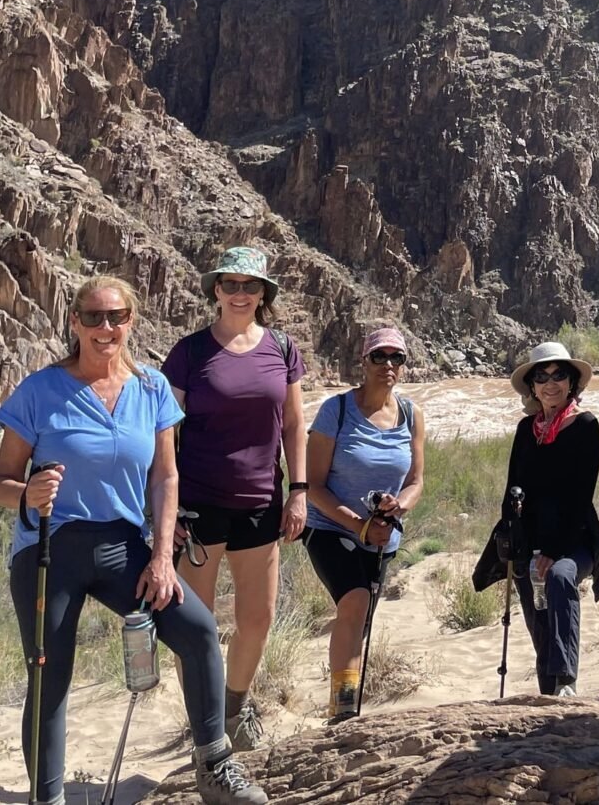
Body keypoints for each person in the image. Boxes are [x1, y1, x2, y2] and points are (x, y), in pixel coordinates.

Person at [0, 276, 267, 805]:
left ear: (132, 321)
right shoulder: (40, 390)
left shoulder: (151, 388)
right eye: (92, 317)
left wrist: (163, 558)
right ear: (74, 323)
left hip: (124, 545)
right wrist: (28, 492)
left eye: (116, 316)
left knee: (197, 629)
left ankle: (214, 764)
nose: (105, 327)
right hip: (52, 547)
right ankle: (47, 798)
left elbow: (165, 477)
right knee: (50, 675)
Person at [163, 247, 308, 750]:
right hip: (198, 505)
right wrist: (163, 508)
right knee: (194, 627)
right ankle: (205, 726)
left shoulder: (282, 349)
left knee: (257, 619)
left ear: (264, 293)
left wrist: (299, 493)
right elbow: (164, 433)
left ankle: (233, 710)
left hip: (261, 502)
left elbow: (293, 424)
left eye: (251, 286)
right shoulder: (189, 352)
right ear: (216, 291)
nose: (241, 294)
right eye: (231, 284)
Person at [303, 324, 426, 721]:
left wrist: (399, 506)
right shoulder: (335, 411)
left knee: (361, 615)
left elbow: (416, 481)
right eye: (379, 356)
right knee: (355, 600)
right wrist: (358, 525)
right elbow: (314, 486)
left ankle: (345, 696)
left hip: (382, 536)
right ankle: (342, 711)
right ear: (364, 361)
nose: (388, 365)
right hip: (329, 526)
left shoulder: (411, 415)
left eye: (397, 358)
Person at [503, 340, 599, 696]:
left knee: (560, 578)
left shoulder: (585, 426)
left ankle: (567, 680)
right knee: (537, 611)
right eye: (541, 376)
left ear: (571, 382)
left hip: (573, 538)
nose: (551, 383)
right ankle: (548, 688)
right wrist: (513, 541)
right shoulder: (525, 430)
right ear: (532, 386)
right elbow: (512, 489)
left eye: (559, 375)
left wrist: (553, 549)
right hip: (530, 539)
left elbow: (581, 497)